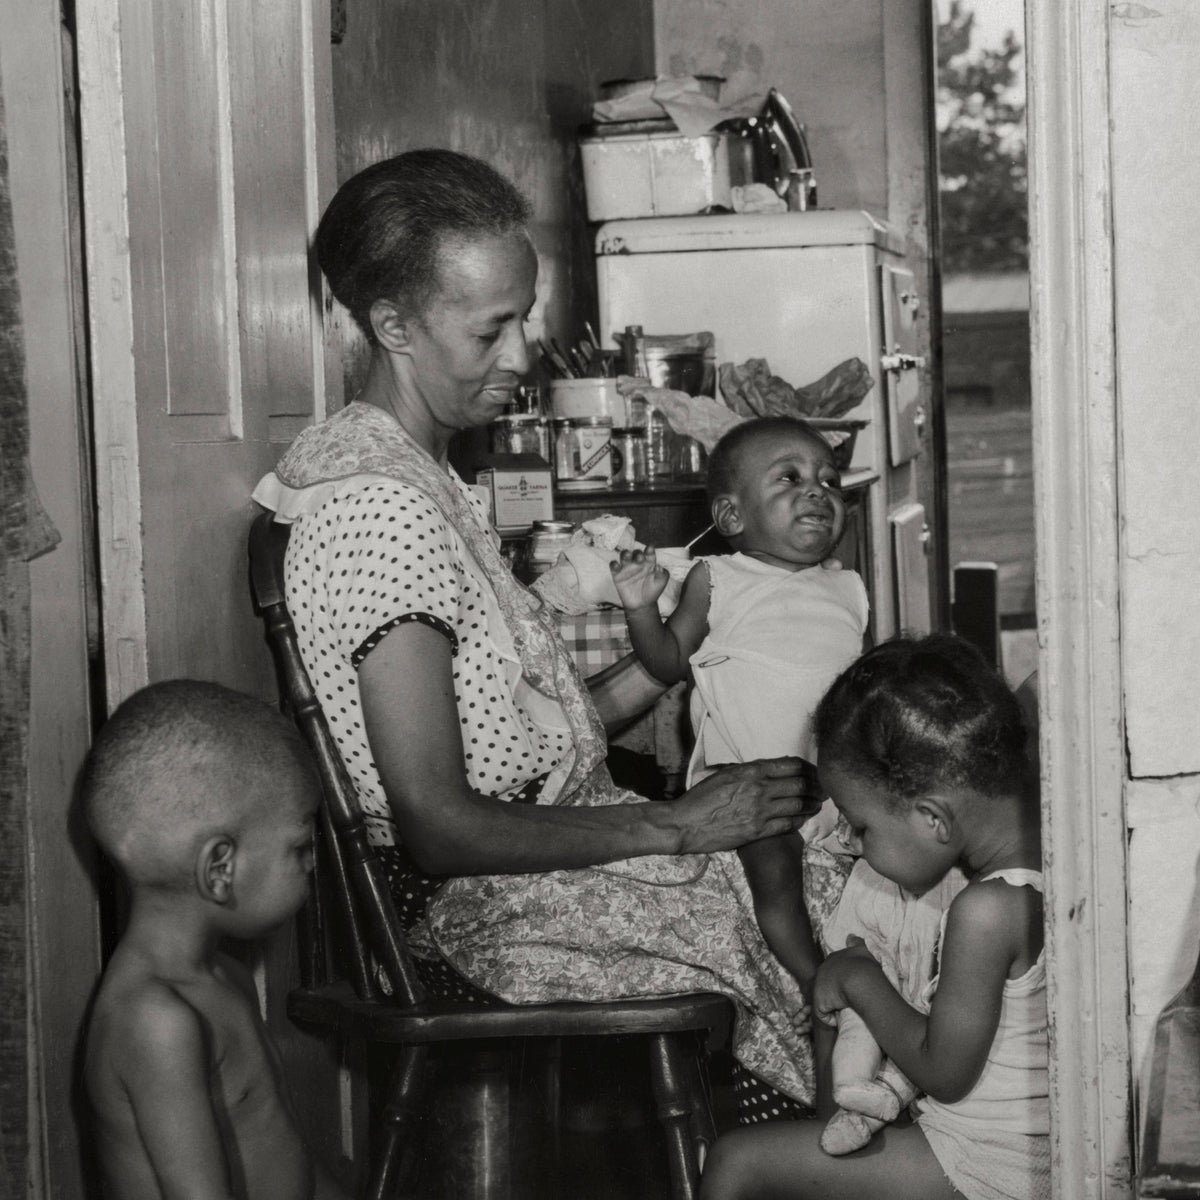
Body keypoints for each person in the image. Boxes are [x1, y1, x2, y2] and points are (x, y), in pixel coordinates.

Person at [250, 149, 823, 1112]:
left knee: (813, 864)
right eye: (491, 330)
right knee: (797, 935)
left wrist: (667, 664)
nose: (520, 356)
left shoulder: (418, 472)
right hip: (474, 913)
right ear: (391, 325)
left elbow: (506, 740)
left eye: (525, 317)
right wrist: (677, 823)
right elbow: (439, 824)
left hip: (531, 862)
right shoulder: (377, 511)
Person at [698, 633, 1047, 1200]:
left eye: (862, 827)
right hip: (1002, 1149)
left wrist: (861, 981)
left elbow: (945, 1073)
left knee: (734, 1162)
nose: (853, 843)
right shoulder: (1048, 857)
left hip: (989, 1166)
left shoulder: (985, 910)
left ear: (933, 818)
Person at [610, 415, 870, 1107]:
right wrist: (641, 607)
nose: (817, 493)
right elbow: (667, 661)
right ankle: (818, 979)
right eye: (790, 479)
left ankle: (873, 1022)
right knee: (776, 871)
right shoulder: (718, 578)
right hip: (747, 785)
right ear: (731, 514)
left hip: (836, 787)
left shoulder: (848, 588)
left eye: (828, 481)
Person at [82, 680, 348, 1200]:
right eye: (299, 847)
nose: (311, 863)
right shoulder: (157, 1022)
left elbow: (279, 1150)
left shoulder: (223, 975)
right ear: (219, 868)